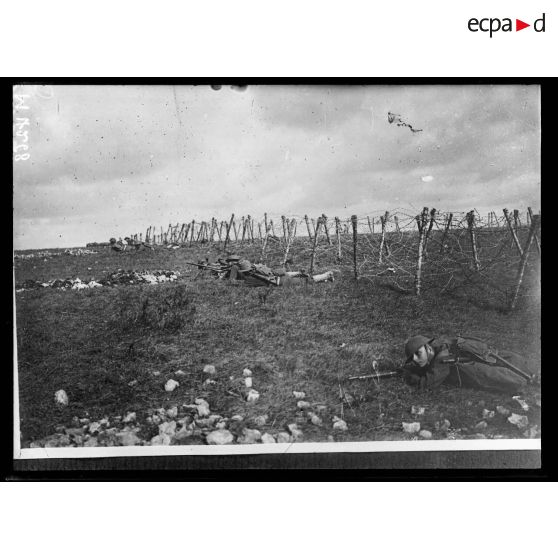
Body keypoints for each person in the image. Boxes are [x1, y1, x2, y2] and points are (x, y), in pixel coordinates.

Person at [401, 334, 536, 394]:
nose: (416, 360)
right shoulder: (442, 343)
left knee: (509, 378)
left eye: (418, 354)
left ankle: (526, 380)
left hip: (475, 366)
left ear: (428, 348)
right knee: (517, 363)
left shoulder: (441, 359)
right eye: (412, 358)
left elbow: (425, 385)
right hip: (483, 356)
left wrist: (409, 376)